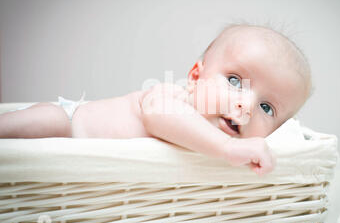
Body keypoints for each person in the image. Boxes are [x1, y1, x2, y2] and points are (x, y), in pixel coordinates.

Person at [0, 24, 312, 176]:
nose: (246, 105)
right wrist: (229, 148)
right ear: (195, 78)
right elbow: (156, 113)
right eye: (234, 81)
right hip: (68, 123)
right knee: (27, 125)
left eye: (267, 108)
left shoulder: (216, 157)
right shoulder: (176, 98)